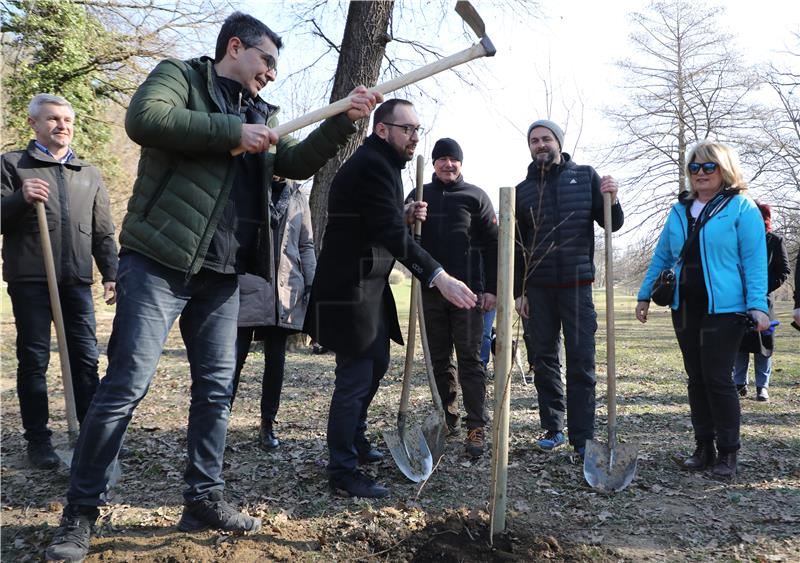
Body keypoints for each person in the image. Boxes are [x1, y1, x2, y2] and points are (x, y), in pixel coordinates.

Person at [45, 12, 382, 562]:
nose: (271, 74)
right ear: (235, 47)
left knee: (216, 391)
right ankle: (80, 514)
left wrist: (345, 120)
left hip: (222, 274)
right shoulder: (179, 77)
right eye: (266, 61)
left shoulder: (258, 113)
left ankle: (203, 497)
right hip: (158, 260)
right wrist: (233, 133)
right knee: (126, 385)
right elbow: (144, 120)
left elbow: (291, 163)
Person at [305, 99, 477, 498]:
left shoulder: (381, 165)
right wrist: (438, 276)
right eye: (407, 129)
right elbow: (389, 234)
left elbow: (372, 219)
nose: (415, 137)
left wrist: (399, 213)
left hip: (368, 284)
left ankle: (356, 441)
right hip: (350, 286)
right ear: (382, 129)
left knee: (377, 362)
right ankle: (342, 470)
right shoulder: (373, 165)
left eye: (419, 130)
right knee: (355, 376)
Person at [636, 141, 769, 480]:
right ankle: (703, 447)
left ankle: (728, 452)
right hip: (685, 307)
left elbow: (754, 262)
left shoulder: (742, 208)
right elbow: (663, 256)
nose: (700, 174)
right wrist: (643, 295)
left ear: (725, 170)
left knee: (717, 378)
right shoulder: (679, 210)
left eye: (709, 167)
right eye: (694, 168)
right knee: (696, 378)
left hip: (726, 309)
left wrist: (757, 305)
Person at [1, 94, 118, 469]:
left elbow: (102, 230)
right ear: (34, 124)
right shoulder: (13, 164)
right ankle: (39, 442)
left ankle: (92, 436)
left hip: (76, 281)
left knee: (85, 359)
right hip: (31, 279)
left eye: (67, 119)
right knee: (33, 360)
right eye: (52, 119)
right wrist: (20, 197)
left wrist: (111, 273)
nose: (62, 125)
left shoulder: (89, 173)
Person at [514, 119, 623, 458]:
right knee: (543, 360)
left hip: (577, 287)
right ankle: (553, 427)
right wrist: (520, 292)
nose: (540, 144)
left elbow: (612, 223)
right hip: (539, 289)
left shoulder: (585, 176)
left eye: (546, 139)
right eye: (534, 140)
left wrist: (612, 199)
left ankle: (582, 437)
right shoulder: (522, 191)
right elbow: (518, 246)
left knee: (581, 361)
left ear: (558, 142)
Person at [405, 138, 498, 458]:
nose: (448, 164)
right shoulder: (420, 196)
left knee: (471, 360)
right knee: (438, 360)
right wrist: (407, 215)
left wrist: (492, 290)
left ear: (461, 163)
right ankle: (448, 418)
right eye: (441, 159)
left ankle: (476, 426)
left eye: (453, 159)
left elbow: (494, 246)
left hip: (469, 294)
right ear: (433, 163)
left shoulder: (476, 197)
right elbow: (399, 238)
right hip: (430, 292)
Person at [231, 177, 316, 449]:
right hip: (247, 283)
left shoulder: (297, 196)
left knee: (275, 361)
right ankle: (216, 422)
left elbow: (306, 244)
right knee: (233, 360)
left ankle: (268, 424)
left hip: (285, 289)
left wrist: (312, 283)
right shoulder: (246, 185)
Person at [732, 201, 790, 402]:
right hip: (738, 299)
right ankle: (739, 383)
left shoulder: (775, 240)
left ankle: (762, 386)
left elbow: (784, 271)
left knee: (763, 343)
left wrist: (760, 289)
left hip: (764, 301)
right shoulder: (739, 239)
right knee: (740, 342)